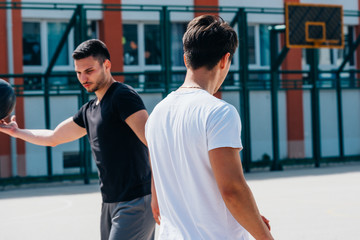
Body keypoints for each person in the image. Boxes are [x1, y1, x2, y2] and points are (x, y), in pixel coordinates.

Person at [0, 39, 155, 240]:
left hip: (136, 201)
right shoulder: (89, 110)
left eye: (89, 71)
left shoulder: (123, 97)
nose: (83, 78)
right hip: (110, 202)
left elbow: (153, 142)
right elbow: (54, 137)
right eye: (78, 72)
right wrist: (16, 131)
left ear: (106, 65)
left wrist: (157, 194)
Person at [145, 15, 274, 240]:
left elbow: (170, 184)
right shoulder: (219, 113)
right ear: (225, 60)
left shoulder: (157, 113)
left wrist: (247, 217)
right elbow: (232, 191)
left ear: (186, 59)